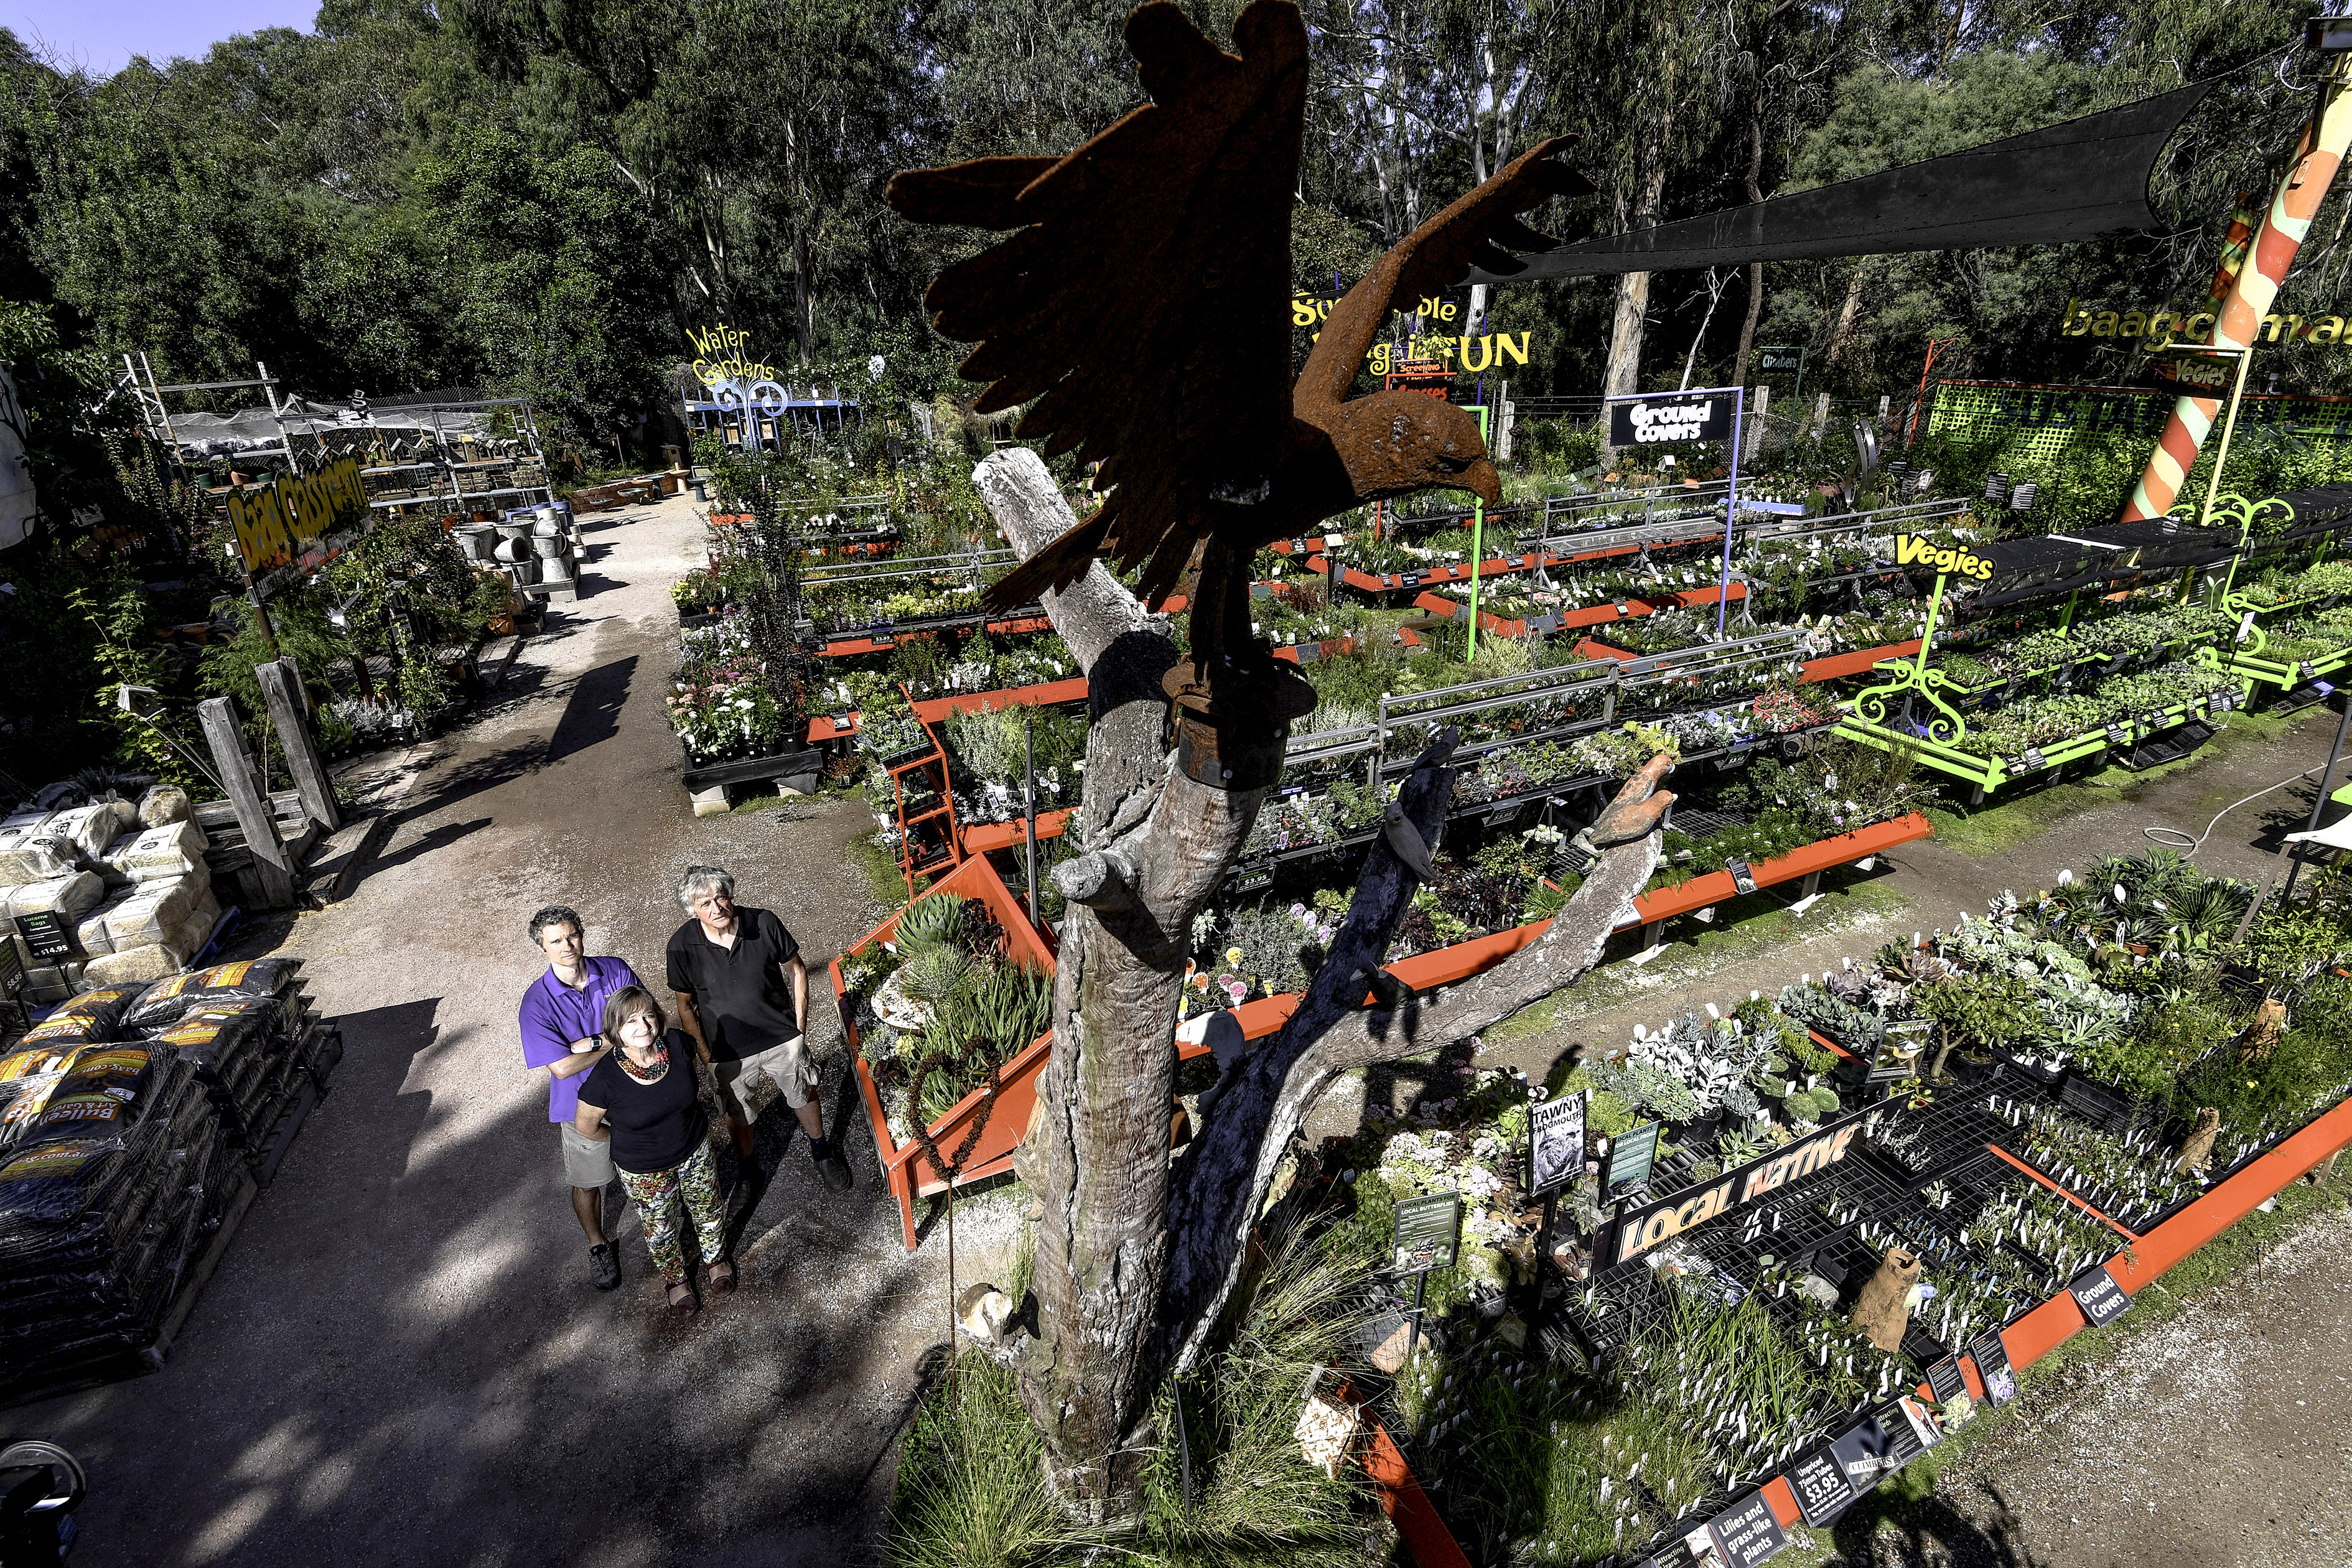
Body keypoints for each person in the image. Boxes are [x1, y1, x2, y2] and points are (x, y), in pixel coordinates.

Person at [665, 865, 851, 1192]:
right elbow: (685, 1006)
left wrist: (798, 1031)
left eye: (721, 898)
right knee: (738, 1114)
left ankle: (821, 1151)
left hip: (782, 1039)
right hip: (728, 1053)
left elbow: (797, 971)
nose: (716, 908)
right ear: (693, 911)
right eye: (705, 904)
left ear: (731, 895)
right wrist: (708, 1057)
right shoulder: (681, 946)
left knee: (803, 1092)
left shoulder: (763, 922)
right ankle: (748, 1171)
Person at [574, 987, 732, 1313]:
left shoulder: (676, 1044)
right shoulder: (604, 1079)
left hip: (695, 1149)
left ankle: (716, 1261)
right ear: (614, 1030)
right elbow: (585, 1127)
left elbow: (689, 1084)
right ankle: (677, 1281)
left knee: (709, 1209)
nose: (643, 1026)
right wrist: (622, 1140)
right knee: (660, 1228)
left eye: (647, 1015)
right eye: (630, 1020)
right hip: (644, 1170)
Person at [516, 904, 643, 1291]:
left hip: (634, 1086)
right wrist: (613, 1039)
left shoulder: (616, 970)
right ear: (542, 947)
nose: (567, 946)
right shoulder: (536, 1004)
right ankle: (598, 1244)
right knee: (589, 1181)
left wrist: (581, 1044)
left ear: (582, 933)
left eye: (572, 935)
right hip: (579, 1104)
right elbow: (563, 1069)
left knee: (656, 1156)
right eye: (556, 941)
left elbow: (644, 1018)